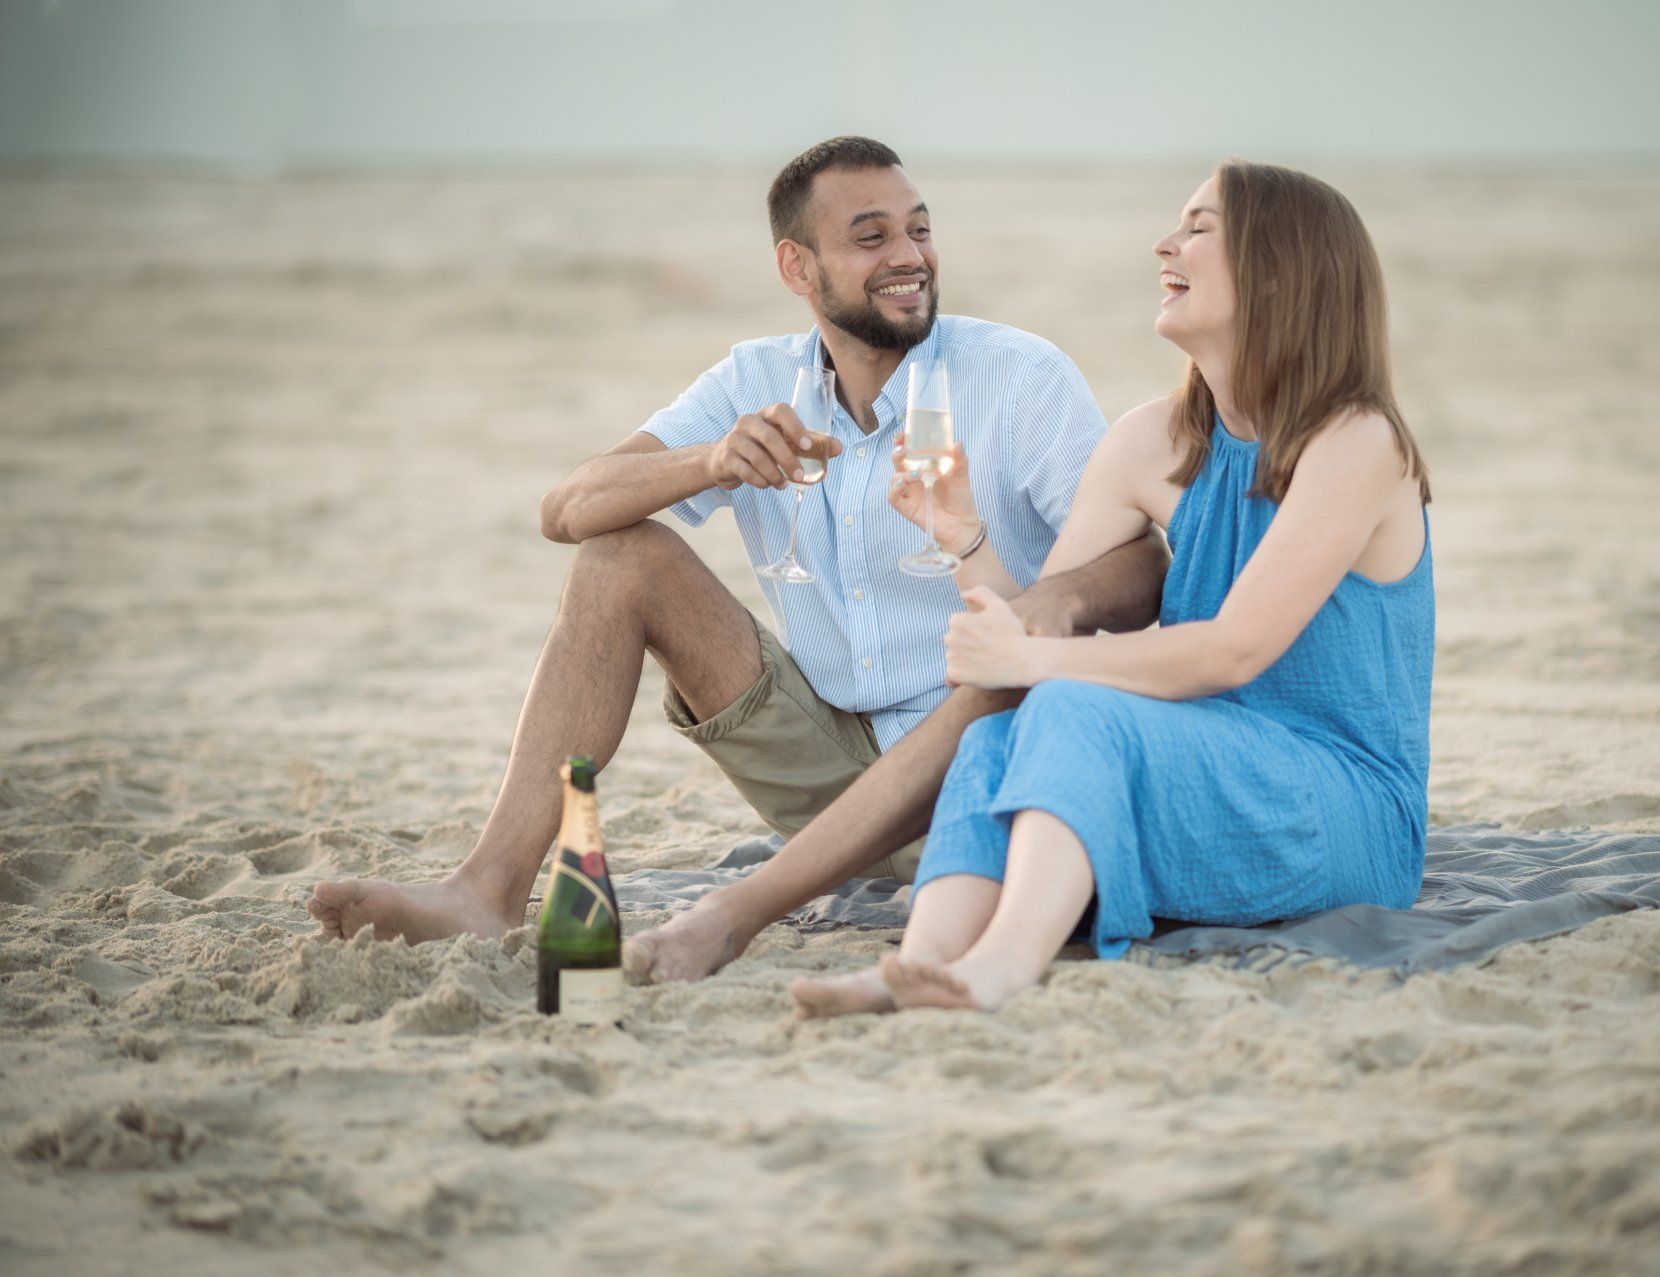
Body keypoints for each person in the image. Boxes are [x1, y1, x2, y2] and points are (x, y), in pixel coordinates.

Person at [305, 136, 1169, 950]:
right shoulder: (756, 380)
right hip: (818, 753)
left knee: (990, 689)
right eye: (871, 238)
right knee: (619, 556)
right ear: (798, 266)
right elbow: (565, 506)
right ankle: (486, 891)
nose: (909, 256)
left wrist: (1030, 616)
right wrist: (711, 460)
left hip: (978, 758)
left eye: (920, 229)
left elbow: (1140, 562)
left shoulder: (1019, 377)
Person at [790, 161, 1434, 1018]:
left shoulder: (1357, 440)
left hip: (1346, 803)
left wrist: (1031, 655)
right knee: (1001, 736)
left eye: (1200, 228)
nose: (1165, 244)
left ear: (1280, 271)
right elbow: (1038, 632)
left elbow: (1235, 648)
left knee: (1068, 705)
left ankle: (1004, 966)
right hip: (1202, 762)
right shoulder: (1150, 440)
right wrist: (965, 537)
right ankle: (919, 963)